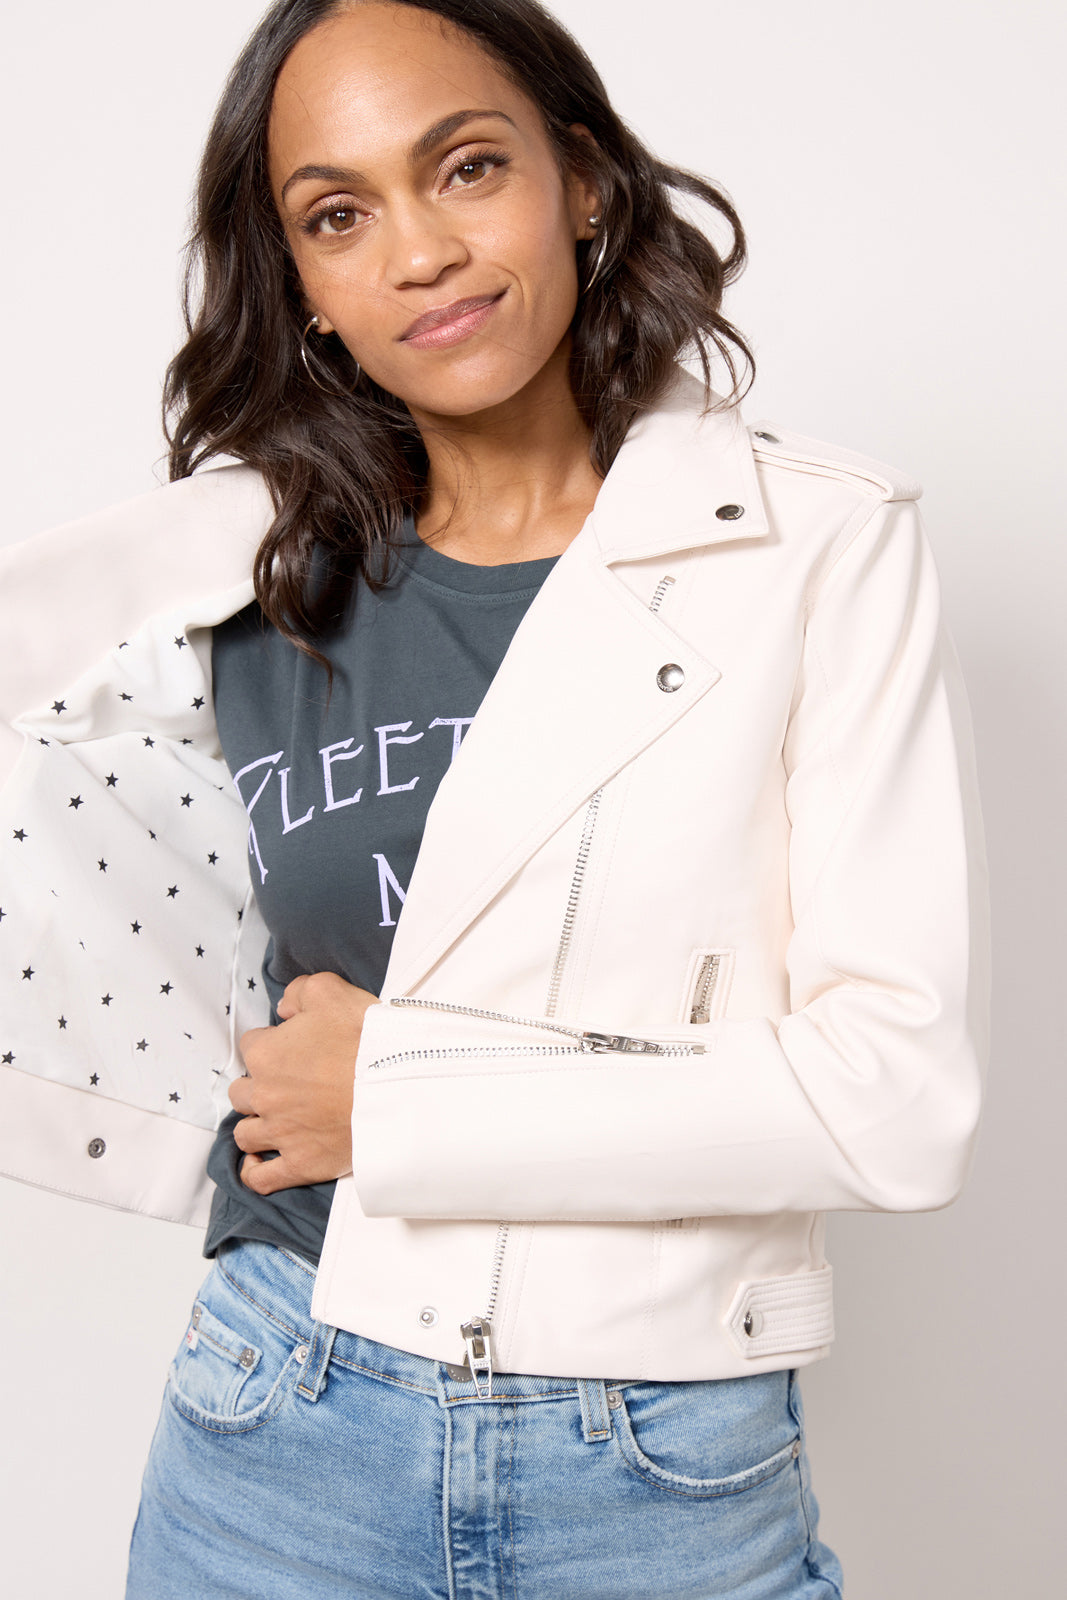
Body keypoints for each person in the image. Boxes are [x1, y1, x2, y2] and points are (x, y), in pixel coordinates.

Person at [0, 0, 988, 1594]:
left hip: (658, 1455)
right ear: (299, 282)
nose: (420, 253)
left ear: (580, 181)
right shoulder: (238, 579)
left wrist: (391, 1098)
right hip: (277, 1418)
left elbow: (894, 1101)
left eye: (466, 167)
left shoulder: (813, 549)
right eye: (339, 215)